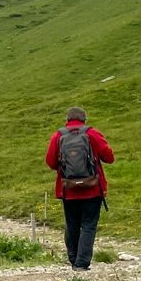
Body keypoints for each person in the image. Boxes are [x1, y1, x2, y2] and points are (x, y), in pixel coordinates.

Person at [44, 106, 114, 270]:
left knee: (72, 224)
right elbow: (109, 157)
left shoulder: (58, 135)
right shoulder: (92, 133)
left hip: (68, 189)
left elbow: (51, 162)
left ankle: (74, 259)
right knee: (88, 225)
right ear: (85, 119)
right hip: (92, 187)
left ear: (67, 119)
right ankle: (82, 264)